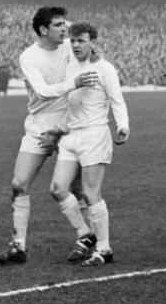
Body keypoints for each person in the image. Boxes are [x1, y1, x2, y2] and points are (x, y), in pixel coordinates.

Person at [0, 6, 98, 265]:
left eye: (65, 24)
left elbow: (89, 46)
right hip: (39, 124)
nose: (65, 28)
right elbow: (42, 91)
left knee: (74, 188)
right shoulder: (28, 57)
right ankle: (18, 247)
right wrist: (74, 83)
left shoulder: (69, 46)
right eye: (58, 25)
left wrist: (93, 52)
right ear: (43, 30)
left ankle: (93, 240)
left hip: (69, 121)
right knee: (19, 184)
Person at [41, 21, 129, 266]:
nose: (76, 44)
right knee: (58, 188)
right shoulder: (69, 66)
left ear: (92, 42)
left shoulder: (104, 68)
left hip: (94, 135)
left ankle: (104, 248)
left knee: (91, 194)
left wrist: (123, 126)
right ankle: (85, 234)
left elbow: (117, 100)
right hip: (71, 135)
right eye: (74, 40)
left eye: (82, 40)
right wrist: (58, 131)